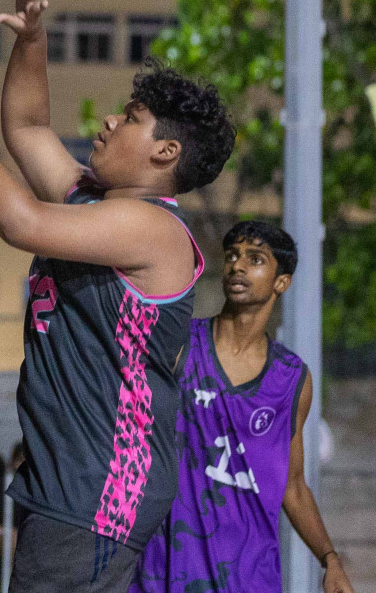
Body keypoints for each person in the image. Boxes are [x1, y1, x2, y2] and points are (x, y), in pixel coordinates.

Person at [0, 0, 236, 593]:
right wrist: (30, 43)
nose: (108, 122)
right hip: (69, 485)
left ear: (165, 152)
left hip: (100, 490)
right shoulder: (90, 201)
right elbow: (27, 128)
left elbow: (20, 220)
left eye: (129, 117)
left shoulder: (152, 230)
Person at [131, 221, 354, 593]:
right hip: (165, 565)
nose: (237, 266)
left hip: (248, 574)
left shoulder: (291, 378)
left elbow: (293, 486)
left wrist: (330, 559)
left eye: (255, 259)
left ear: (281, 282)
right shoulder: (181, 344)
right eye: (232, 256)